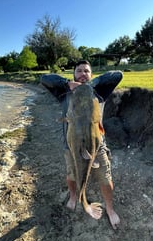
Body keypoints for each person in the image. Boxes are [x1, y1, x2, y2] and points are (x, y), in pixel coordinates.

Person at [40, 60, 122, 229]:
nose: (83, 74)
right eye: (79, 71)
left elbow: (117, 75)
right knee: (71, 175)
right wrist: (67, 83)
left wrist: (91, 84)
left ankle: (109, 208)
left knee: (105, 179)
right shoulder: (65, 91)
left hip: (97, 146)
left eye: (87, 71)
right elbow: (44, 78)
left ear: (91, 75)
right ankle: (75, 197)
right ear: (73, 75)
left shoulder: (99, 91)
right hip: (71, 146)